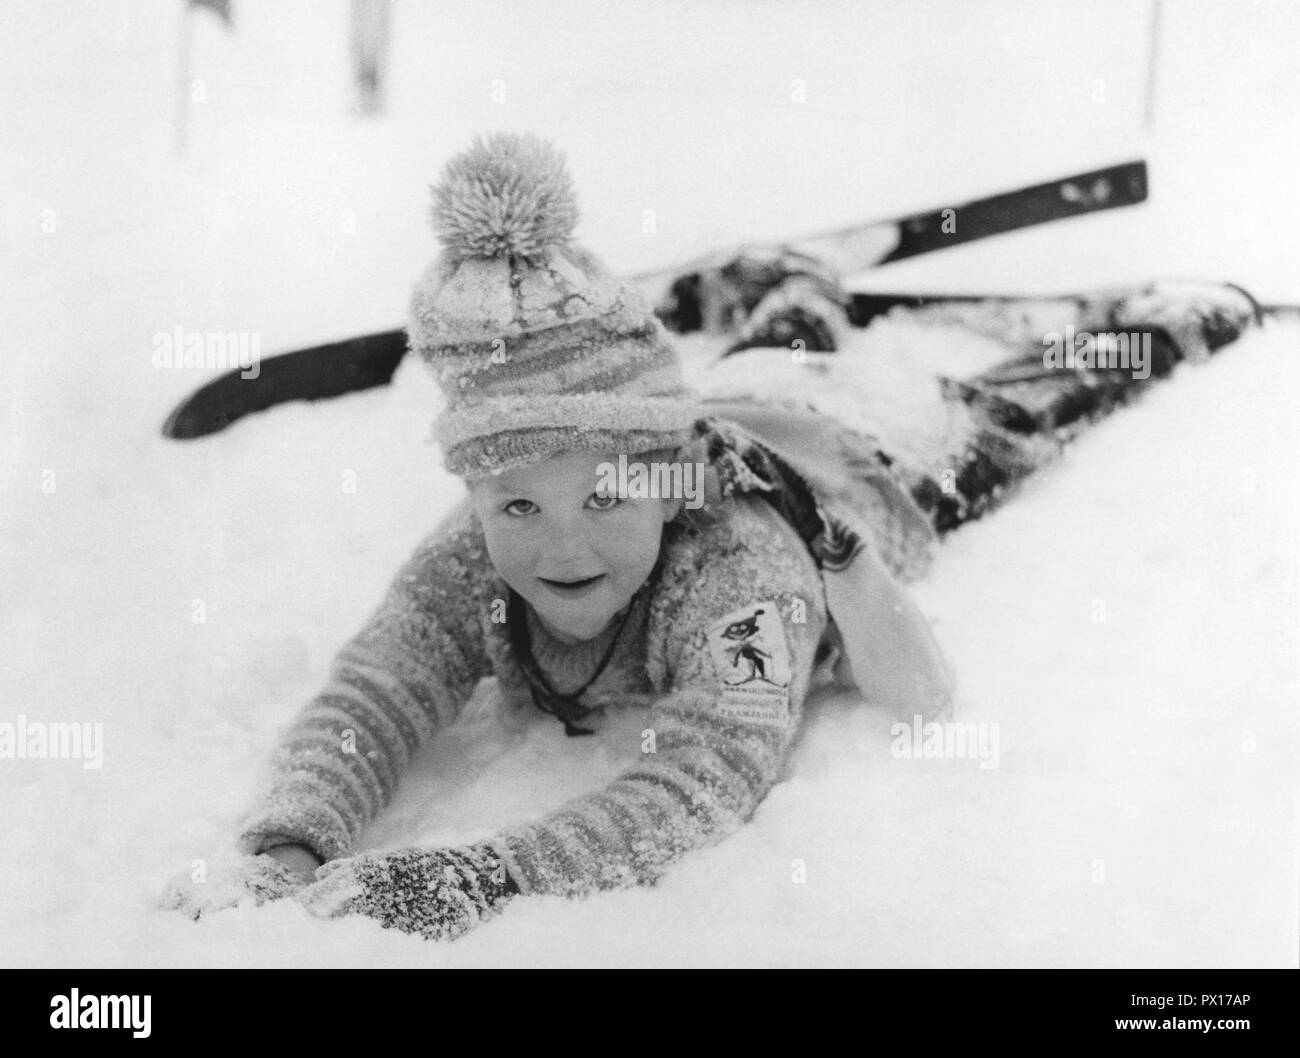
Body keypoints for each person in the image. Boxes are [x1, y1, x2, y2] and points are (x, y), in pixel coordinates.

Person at [158, 132, 956, 940]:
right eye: (519, 509)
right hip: (699, 409)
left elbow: (703, 778)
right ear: (478, 494)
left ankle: (806, 286)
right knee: (760, 361)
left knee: (924, 404)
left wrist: (487, 878)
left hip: (856, 451)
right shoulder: (475, 544)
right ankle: (777, 292)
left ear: (668, 489)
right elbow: (377, 689)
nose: (564, 549)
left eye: (606, 501)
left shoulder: (739, 571)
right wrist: (288, 846)